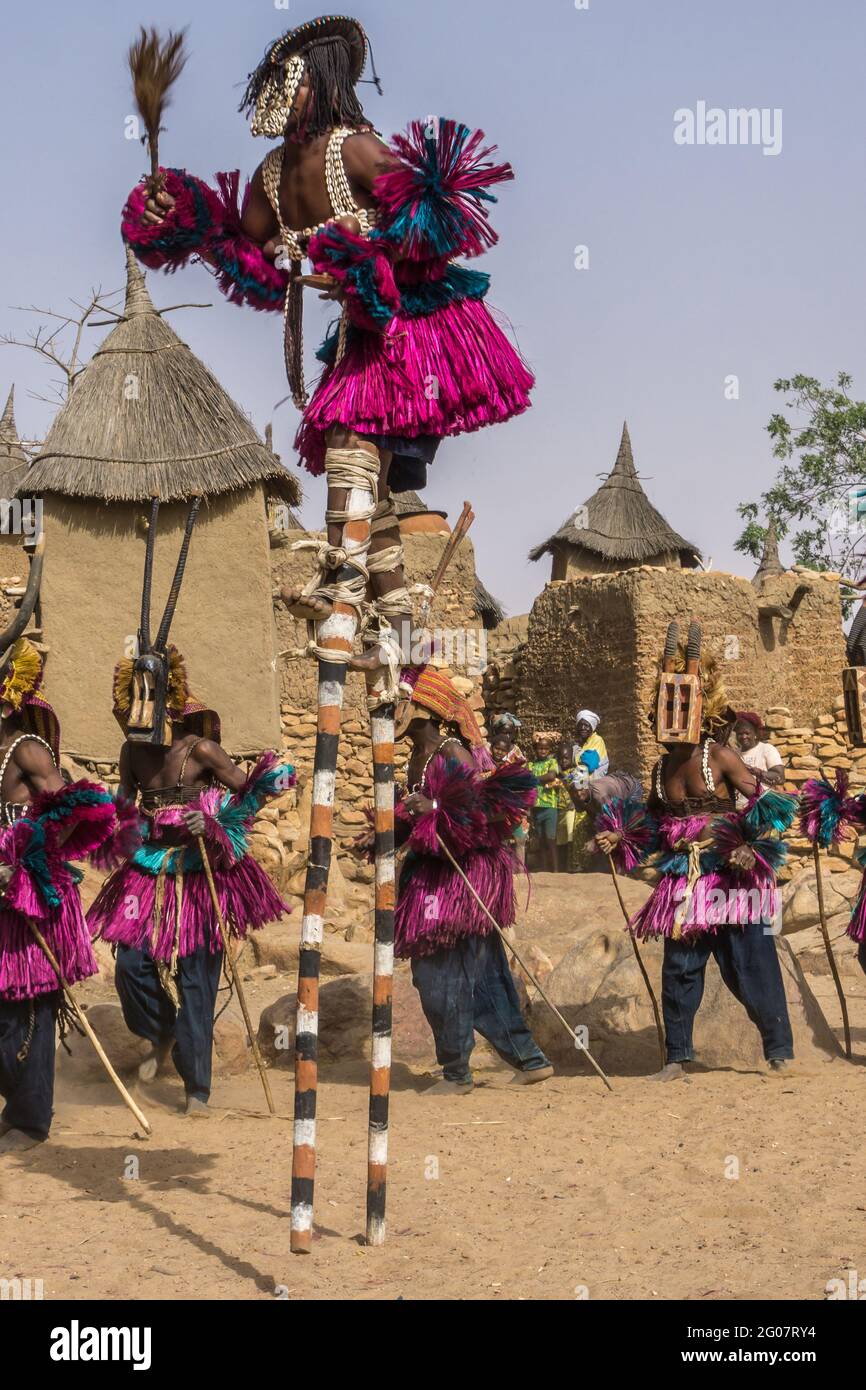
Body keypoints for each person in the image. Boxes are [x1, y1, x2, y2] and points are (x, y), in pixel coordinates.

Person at [121, 15, 534, 684]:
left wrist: (369, 259)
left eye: (289, 76)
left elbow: (437, 220)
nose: (275, 91)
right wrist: (182, 219)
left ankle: (338, 586)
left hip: (413, 329)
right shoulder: (271, 173)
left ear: (320, 79)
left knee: (347, 441)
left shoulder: (357, 150)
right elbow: (246, 251)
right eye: (272, 78)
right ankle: (400, 637)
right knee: (376, 483)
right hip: (356, 336)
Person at [87, 647, 294, 1116]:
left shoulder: (200, 750)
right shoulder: (132, 753)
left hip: (203, 877)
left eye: (141, 704)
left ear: (165, 705)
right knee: (130, 967)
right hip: (148, 875)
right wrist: (102, 822)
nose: (131, 717)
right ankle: (163, 1032)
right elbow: (122, 807)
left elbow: (253, 793)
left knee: (198, 980)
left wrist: (216, 821)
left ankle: (196, 1087)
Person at [594, 624, 797, 1082]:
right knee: (680, 967)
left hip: (732, 877)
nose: (672, 710)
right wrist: (619, 836)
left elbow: (770, 804)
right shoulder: (661, 765)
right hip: (685, 882)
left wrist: (748, 844)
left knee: (748, 964)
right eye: (666, 702)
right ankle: (677, 1058)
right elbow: (650, 824)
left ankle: (779, 1050)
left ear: (697, 706)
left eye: (681, 701)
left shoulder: (720, 755)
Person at [362, 665, 551, 1093]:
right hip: (433, 875)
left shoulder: (453, 754)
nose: (394, 709)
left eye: (402, 702)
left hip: (460, 878)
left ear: (426, 708)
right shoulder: (414, 756)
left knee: (438, 974)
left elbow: (479, 816)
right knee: (481, 973)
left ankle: (456, 1072)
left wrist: (432, 809)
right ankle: (528, 1058)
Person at [0, 635, 133, 1151]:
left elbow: (81, 812)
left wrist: (26, 858)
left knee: (28, 1006)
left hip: (32, 898)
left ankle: (31, 1119)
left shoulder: (27, 751)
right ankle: (18, 1104)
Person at [490, 718, 528, 864]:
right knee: (502, 841)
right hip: (496, 809)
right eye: (503, 732)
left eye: (508, 732)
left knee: (520, 839)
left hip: (514, 806)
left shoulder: (514, 758)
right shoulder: (486, 762)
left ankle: (520, 871)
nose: (506, 735)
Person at [733, 712, 784, 808]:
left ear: (755, 733)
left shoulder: (766, 749)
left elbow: (780, 777)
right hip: (739, 808)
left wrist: (757, 772)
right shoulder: (734, 754)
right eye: (740, 734)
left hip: (764, 807)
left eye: (747, 733)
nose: (744, 737)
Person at [528, 732, 561, 873]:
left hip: (550, 806)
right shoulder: (530, 764)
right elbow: (527, 779)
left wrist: (534, 779)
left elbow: (552, 775)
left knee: (550, 840)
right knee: (541, 840)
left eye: (545, 749)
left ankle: (556, 871)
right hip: (536, 806)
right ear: (535, 749)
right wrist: (542, 778)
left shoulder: (552, 762)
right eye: (540, 748)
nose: (542, 751)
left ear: (549, 750)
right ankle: (545, 871)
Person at [555, 739, 577, 872]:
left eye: (566, 758)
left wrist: (562, 774)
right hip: (558, 809)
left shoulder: (576, 771)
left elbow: (576, 787)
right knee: (560, 840)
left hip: (570, 809)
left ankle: (571, 865)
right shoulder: (554, 772)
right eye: (561, 758)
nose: (563, 761)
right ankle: (562, 867)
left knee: (570, 838)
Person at [574, 710, 608, 776]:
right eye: (580, 725)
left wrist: (570, 777)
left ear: (592, 727)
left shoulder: (597, 740)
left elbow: (588, 766)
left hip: (594, 782)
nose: (582, 728)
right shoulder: (580, 743)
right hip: (582, 781)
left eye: (586, 725)